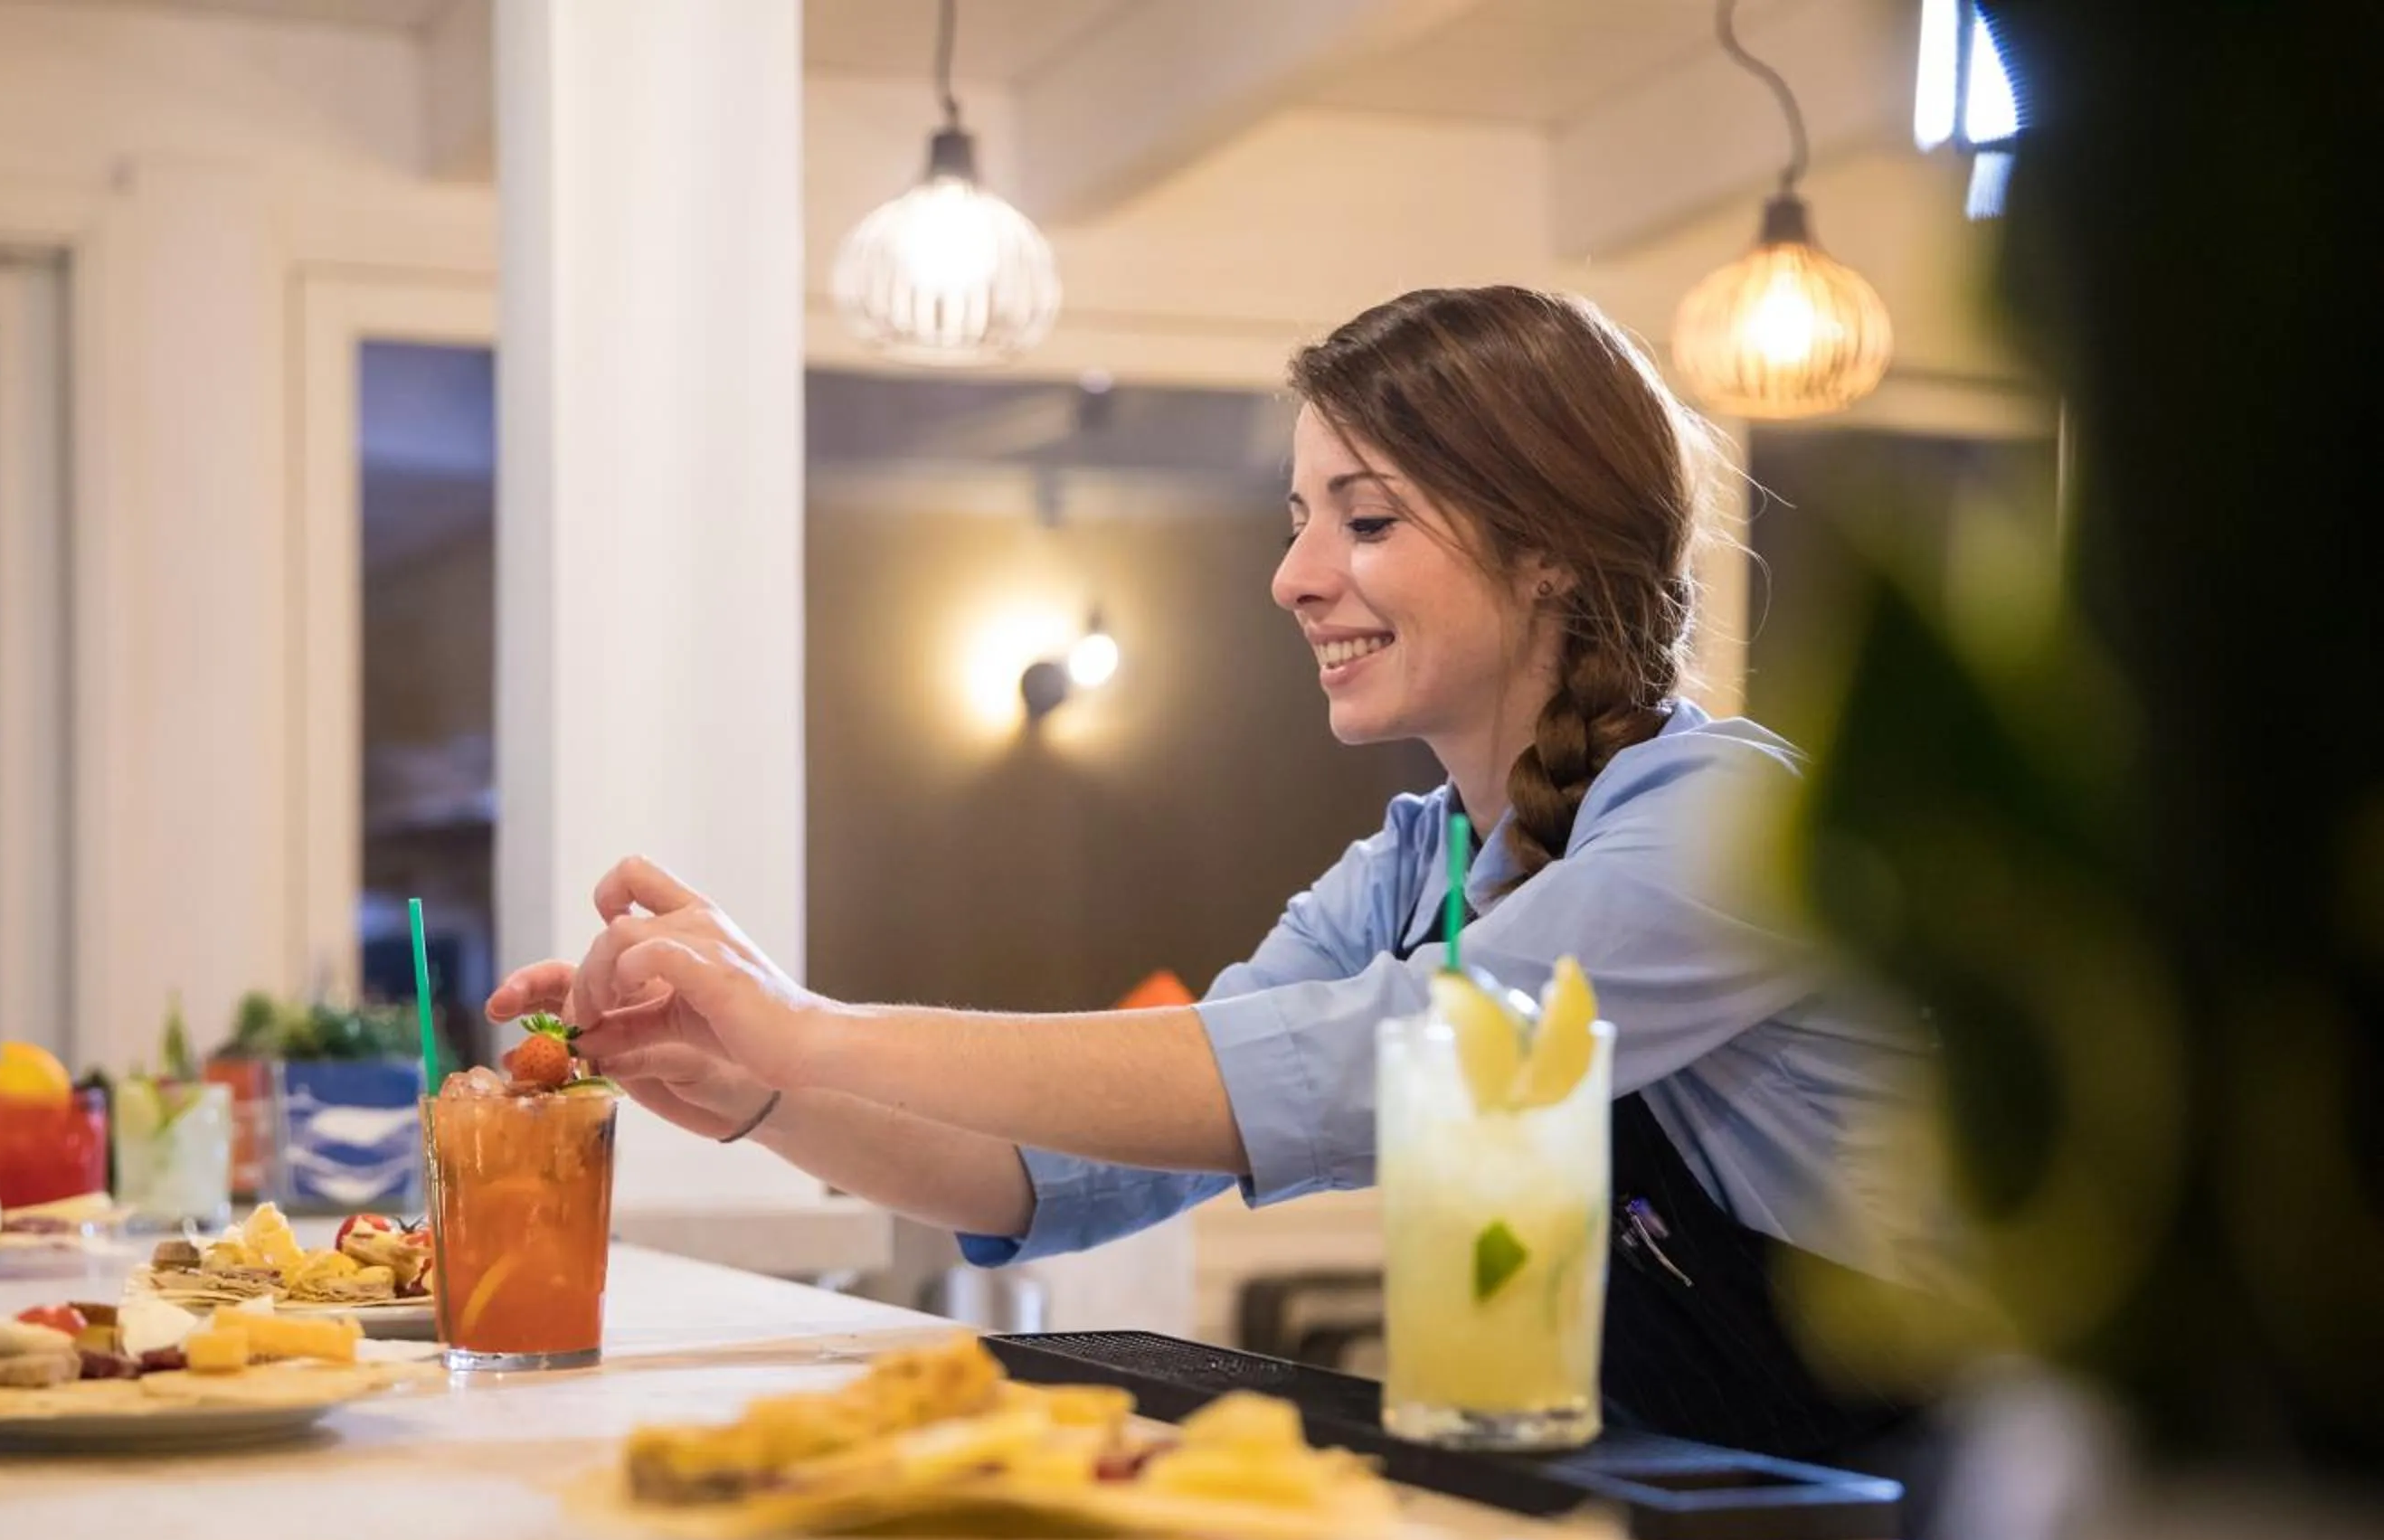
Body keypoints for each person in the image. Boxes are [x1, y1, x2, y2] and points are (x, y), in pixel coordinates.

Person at [489, 287, 1944, 1465]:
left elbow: (1392, 1061)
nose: (1296, 575)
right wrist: (757, 1092)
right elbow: (1071, 1172)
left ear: (1552, 554)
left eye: (1364, 519)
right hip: (1680, 1534)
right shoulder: (1415, 867)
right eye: (1299, 519)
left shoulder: (1722, 826)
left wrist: (806, 1024)